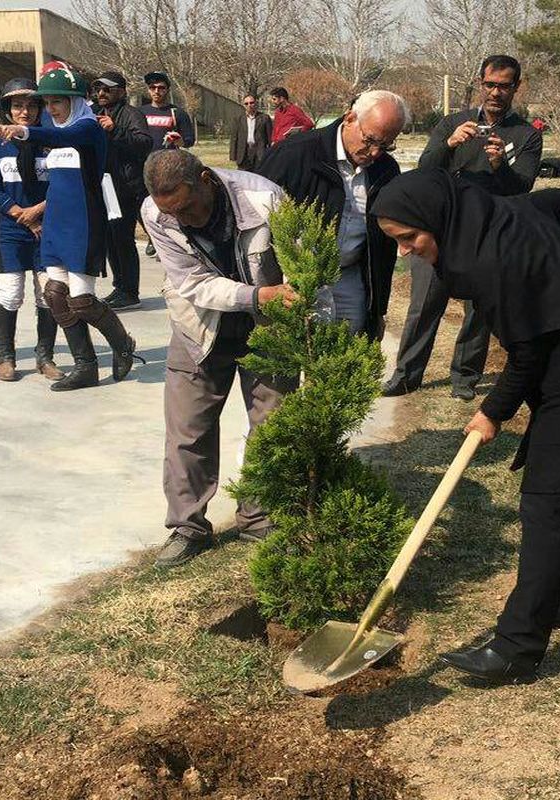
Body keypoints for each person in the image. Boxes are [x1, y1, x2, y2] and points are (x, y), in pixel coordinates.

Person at [372, 170, 560, 683]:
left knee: (546, 497)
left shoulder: (491, 259)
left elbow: (523, 358)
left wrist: (491, 413)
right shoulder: (487, 217)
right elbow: (555, 201)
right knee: (556, 490)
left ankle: (517, 647)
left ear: (436, 220)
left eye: (408, 239)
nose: (405, 252)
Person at [140, 149, 299, 567]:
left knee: (272, 423)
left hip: (270, 326)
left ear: (206, 180)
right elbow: (192, 282)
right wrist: (253, 296)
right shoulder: (156, 214)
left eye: (188, 207)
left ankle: (259, 516)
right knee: (187, 431)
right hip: (200, 327)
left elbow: (301, 263)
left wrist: (298, 307)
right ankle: (187, 527)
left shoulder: (264, 198)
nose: (183, 219)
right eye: (171, 211)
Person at [382, 55, 543, 400]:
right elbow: (425, 168)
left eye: (504, 86)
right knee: (424, 305)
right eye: (490, 84)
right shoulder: (452, 123)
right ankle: (406, 375)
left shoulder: (526, 135)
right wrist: (450, 143)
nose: (496, 92)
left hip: (487, 236)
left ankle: (464, 378)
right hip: (437, 231)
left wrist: (500, 164)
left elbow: (522, 187)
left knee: (479, 311)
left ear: (516, 87)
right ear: (480, 83)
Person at [0, 65, 141, 392]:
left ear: (76, 100)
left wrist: (24, 131)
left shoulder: (87, 127)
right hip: (55, 222)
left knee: (82, 300)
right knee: (55, 295)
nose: (51, 108)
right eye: (47, 102)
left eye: (59, 101)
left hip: (84, 223)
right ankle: (85, 364)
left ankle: (122, 344)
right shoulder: (51, 123)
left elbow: (63, 137)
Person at [258, 90, 406, 338]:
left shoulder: (386, 170)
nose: (375, 153)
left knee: (343, 361)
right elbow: (255, 218)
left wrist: (378, 308)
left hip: (350, 278)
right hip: (293, 279)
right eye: (370, 140)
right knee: (289, 361)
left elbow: (384, 245)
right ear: (349, 119)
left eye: (385, 144)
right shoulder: (292, 155)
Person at [0, 78, 63, 383]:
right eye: (17, 105)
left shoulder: (52, 140)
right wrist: (23, 216)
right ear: (7, 109)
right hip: (9, 230)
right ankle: (6, 356)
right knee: (11, 294)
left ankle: (45, 357)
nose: (24, 111)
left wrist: (38, 212)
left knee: (50, 295)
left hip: (47, 227)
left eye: (30, 105)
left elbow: (61, 184)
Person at [91, 71, 153, 310]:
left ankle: (130, 290)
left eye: (107, 89)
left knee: (123, 238)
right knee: (109, 238)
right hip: (105, 185)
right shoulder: (96, 112)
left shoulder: (131, 114)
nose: (102, 93)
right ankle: (120, 286)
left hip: (127, 187)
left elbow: (144, 144)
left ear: (122, 91)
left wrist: (115, 129)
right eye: (99, 89)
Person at [140, 71, 195, 151]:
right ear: (148, 90)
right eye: (152, 87)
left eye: (161, 88)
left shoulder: (178, 113)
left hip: (168, 160)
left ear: (168, 90)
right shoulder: (139, 112)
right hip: (144, 161)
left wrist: (181, 141)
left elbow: (190, 140)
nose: (156, 91)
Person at [229, 94, 272, 171]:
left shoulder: (265, 118)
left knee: (259, 177)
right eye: (246, 103)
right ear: (244, 105)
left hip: (259, 153)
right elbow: (234, 138)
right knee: (243, 178)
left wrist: (270, 154)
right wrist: (233, 155)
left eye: (251, 102)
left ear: (256, 103)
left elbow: (270, 138)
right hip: (243, 153)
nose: (249, 105)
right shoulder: (238, 119)